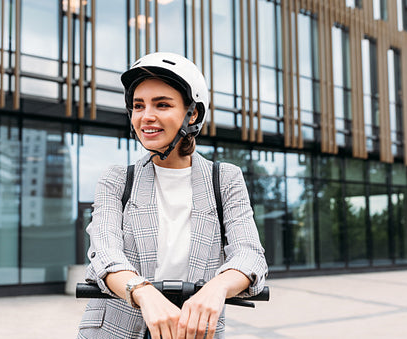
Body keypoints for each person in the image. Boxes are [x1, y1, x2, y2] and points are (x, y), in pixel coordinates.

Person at [77, 52, 268, 339]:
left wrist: (216, 288)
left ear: (192, 114)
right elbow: (105, 254)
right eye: (138, 106)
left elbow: (249, 254)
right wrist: (143, 293)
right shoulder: (117, 179)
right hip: (114, 331)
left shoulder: (225, 179)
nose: (146, 116)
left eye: (162, 104)